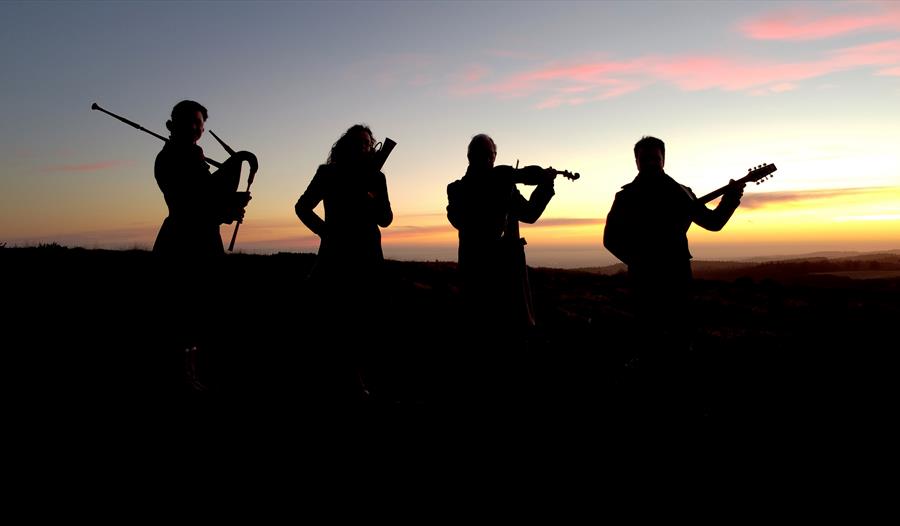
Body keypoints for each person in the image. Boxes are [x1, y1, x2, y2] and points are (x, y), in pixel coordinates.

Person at [603, 136, 744, 411]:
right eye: (645, 159)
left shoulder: (683, 192)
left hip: (678, 273)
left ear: (663, 159)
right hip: (644, 277)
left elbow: (713, 223)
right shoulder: (626, 196)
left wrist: (731, 198)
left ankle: (682, 394)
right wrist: (638, 259)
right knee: (648, 335)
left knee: (681, 335)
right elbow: (610, 239)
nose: (651, 162)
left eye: (655, 158)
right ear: (637, 161)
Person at [446, 134, 558, 403]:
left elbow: (529, 213)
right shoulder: (460, 188)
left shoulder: (502, 183)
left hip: (496, 268)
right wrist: (534, 181)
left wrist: (544, 185)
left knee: (500, 331)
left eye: (488, 154)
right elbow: (460, 218)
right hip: (487, 269)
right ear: (471, 157)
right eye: (481, 154)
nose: (486, 159)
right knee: (488, 330)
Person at [152, 100, 251, 392]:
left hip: (200, 238)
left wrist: (229, 208)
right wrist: (230, 193)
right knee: (184, 309)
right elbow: (194, 202)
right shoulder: (172, 157)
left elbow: (208, 203)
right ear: (173, 125)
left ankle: (190, 372)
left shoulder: (190, 156)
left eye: (200, 123)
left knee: (198, 309)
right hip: (184, 242)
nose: (197, 128)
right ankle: (181, 376)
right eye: (191, 122)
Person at [294, 124, 393, 404]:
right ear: (345, 146)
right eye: (357, 142)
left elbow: (386, 219)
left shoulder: (377, 177)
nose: (362, 147)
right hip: (336, 254)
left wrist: (370, 197)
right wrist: (324, 231)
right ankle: (341, 378)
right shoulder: (328, 173)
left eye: (366, 143)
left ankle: (358, 376)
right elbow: (302, 206)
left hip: (368, 254)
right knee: (335, 317)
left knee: (365, 318)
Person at [153, 100, 251, 257]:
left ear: (203, 129)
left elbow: (208, 194)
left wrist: (231, 203)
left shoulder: (193, 158)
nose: (193, 127)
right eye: (187, 121)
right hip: (181, 244)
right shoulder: (168, 158)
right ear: (172, 125)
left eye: (198, 123)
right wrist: (228, 209)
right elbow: (191, 207)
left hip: (205, 240)